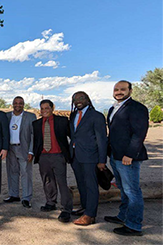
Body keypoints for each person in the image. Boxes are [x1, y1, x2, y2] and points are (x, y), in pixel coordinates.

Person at [104, 80, 149, 236]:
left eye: (122, 89)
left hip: (127, 158)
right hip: (116, 156)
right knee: (123, 189)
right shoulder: (112, 108)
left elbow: (139, 133)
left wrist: (130, 154)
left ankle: (134, 225)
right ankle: (123, 216)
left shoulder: (137, 108)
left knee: (132, 191)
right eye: (116, 89)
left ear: (130, 90)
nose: (119, 92)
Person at [69, 91, 107, 225]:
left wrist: (102, 160)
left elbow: (102, 139)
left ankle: (90, 215)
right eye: (75, 99)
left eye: (81, 98)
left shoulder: (96, 116)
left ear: (88, 99)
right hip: (75, 156)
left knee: (91, 185)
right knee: (81, 184)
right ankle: (85, 207)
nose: (78, 101)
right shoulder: (73, 115)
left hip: (90, 156)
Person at [32, 99, 72, 222]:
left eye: (47, 108)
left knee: (62, 182)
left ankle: (66, 209)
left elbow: (72, 137)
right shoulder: (36, 124)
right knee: (47, 181)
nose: (44, 110)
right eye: (42, 108)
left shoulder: (62, 121)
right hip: (43, 156)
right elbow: (36, 141)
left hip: (58, 156)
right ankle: (50, 202)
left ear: (52, 108)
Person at [4, 96, 36, 208]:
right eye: (16, 103)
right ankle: (14, 195)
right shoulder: (7, 116)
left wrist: (31, 151)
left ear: (23, 104)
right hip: (10, 148)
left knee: (26, 173)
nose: (18, 105)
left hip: (24, 149)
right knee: (12, 172)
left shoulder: (31, 117)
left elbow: (33, 135)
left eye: (20, 103)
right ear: (12, 104)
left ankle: (26, 198)